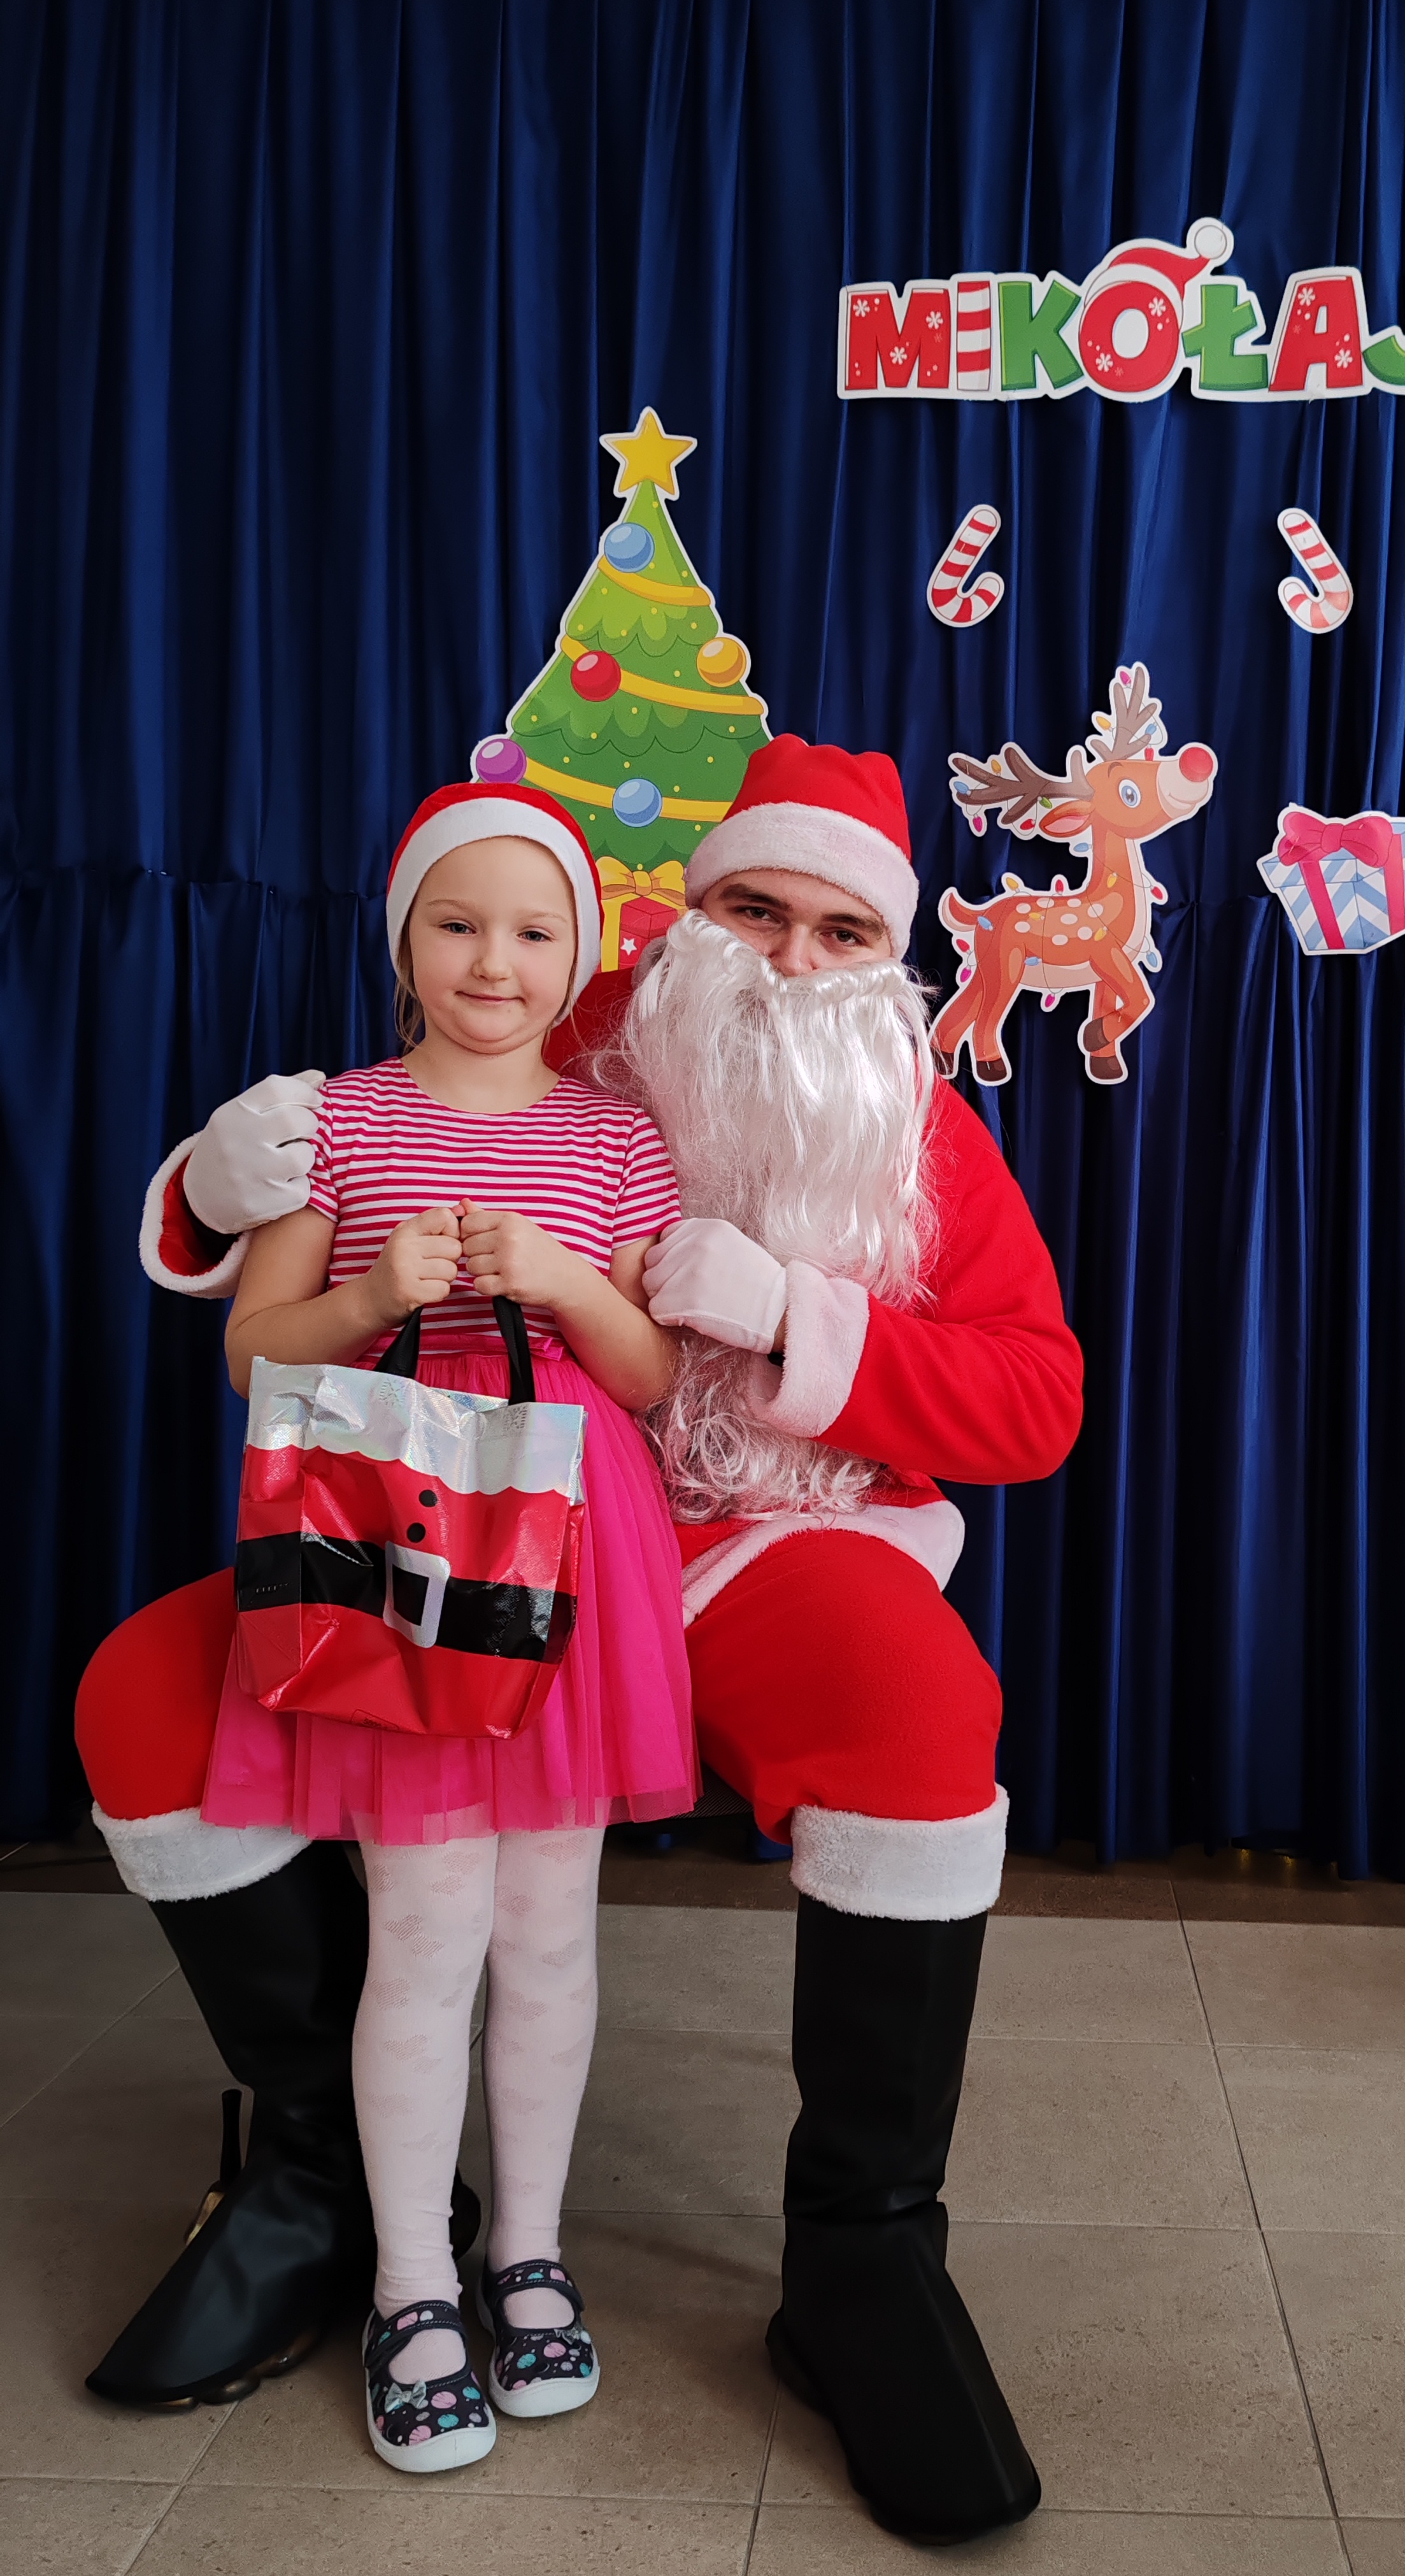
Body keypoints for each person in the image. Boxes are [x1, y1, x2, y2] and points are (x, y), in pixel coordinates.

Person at [78, 736, 1083, 2545]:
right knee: (144, 1696)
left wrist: (797, 1316)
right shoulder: (583, 1014)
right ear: (678, 915)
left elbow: (1036, 1401)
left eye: (841, 931)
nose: (788, 960)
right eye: (752, 908)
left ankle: (862, 2258)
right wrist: (209, 1190)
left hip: (755, 1544)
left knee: (921, 1707)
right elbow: (363, 1139)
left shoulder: (913, 1120)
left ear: (891, 956)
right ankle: (331, 2192)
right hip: (448, 1516)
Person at [210, 780, 695, 2470]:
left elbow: (651, 1375)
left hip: (574, 1550)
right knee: (423, 1933)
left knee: (549, 1932)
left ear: (580, 954)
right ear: (403, 936)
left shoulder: (617, 1140)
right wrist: (370, 1295)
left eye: (535, 930)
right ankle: (412, 2287)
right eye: (459, 923)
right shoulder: (336, 1124)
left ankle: (528, 2256)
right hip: (398, 1545)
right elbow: (253, 1353)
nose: (496, 960)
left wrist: (562, 1282)